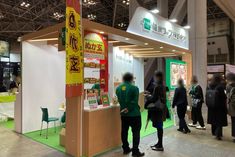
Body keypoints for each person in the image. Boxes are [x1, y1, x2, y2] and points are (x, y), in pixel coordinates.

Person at [116, 73, 145, 157]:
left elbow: (119, 100)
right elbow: (134, 102)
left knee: (124, 131)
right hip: (134, 114)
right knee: (136, 132)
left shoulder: (118, 88)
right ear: (131, 79)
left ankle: (125, 148)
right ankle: (135, 151)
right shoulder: (134, 88)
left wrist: (124, 109)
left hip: (123, 114)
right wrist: (128, 109)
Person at [145, 71, 167, 151]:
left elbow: (154, 98)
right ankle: (159, 143)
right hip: (162, 108)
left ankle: (160, 145)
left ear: (158, 77)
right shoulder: (163, 86)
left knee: (159, 127)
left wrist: (148, 96)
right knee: (159, 127)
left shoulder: (157, 86)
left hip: (157, 110)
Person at [206, 74, 228, 140]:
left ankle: (214, 132)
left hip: (211, 106)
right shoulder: (220, 87)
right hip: (219, 107)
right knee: (219, 121)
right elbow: (224, 97)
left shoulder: (209, 86)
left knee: (213, 120)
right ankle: (218, 134)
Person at [226, 73, 235, 143]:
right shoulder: (229, 86)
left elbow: (228, 97)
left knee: (234, 122)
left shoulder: (229, 86)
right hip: (232, 107)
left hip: (233, 108)